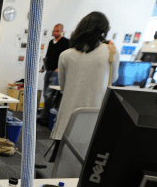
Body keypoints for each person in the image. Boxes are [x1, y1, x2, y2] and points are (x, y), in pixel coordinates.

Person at [49, 12, 118, 159]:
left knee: (59, 169)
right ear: (104, 30)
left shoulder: (66, 54)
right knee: (87, 169)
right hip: (94, 119)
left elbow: (63, 86)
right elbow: (113, 79)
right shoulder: (111, 52)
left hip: (68, 118)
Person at [37, 24, 70, 126]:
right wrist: (44, 66)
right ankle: (45, 115)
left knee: (49, 95)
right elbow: (48, 55)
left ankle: (46, 117)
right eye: (54, 31)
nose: (54, 33)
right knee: (46, 94)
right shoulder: (51, 42)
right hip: (49, 70)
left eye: (57, 31)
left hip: (56, 72)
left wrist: (60, 68)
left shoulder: (66, 42)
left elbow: (67, 57)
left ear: (61, 31)